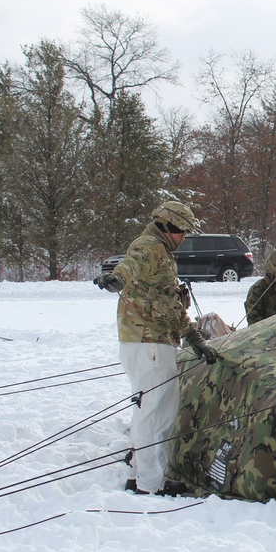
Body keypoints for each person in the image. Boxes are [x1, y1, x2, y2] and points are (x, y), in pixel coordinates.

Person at [94, 200, 217, 496]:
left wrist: (193, 337)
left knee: (164, 411)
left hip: (158, 341)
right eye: (181, 231)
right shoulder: (149, 246)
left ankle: (154, 474)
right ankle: (148, 483)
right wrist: (116, 278)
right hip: (146, 341)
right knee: (151, 413)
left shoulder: (164, 254)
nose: (183, 237)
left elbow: (171, 305)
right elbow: (130, 265)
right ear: (167, 226)